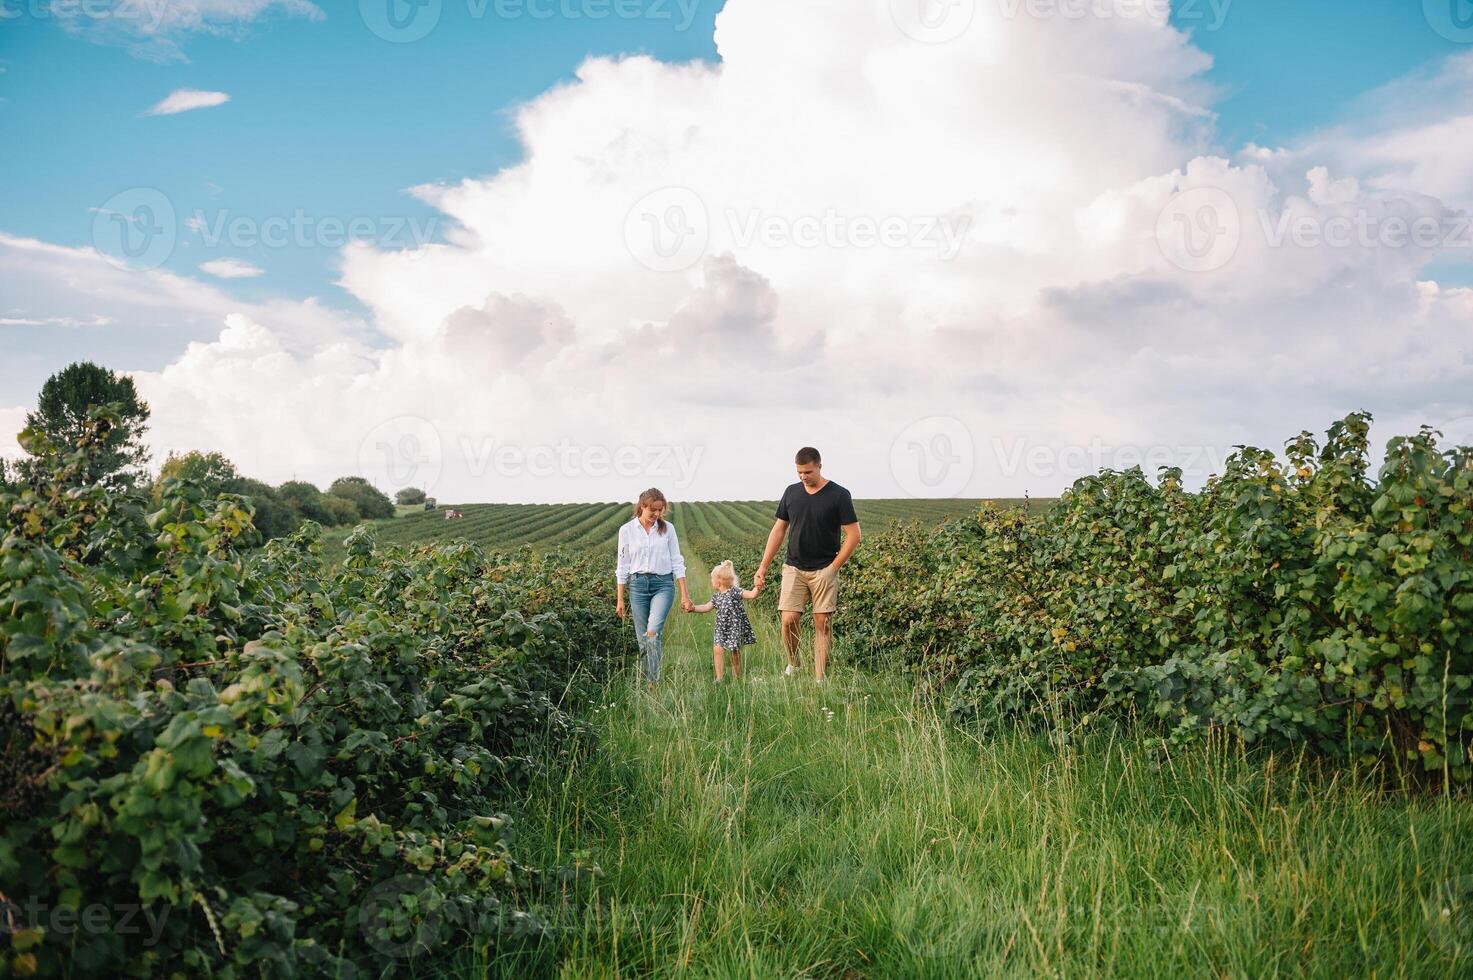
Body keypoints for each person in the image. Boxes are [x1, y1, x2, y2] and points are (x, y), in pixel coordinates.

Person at [754, 447, 861, 682]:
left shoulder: (839, 495)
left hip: (825, 568)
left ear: (819, 467)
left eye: (808, 472)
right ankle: (794, 663)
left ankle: (820, 678)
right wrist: (763, 566)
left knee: (822, 623)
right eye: (799, 472)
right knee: (788, 619)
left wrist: (833, 568)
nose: (803, 477)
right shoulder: (791, 493)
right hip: (794, 567)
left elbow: (854, 536)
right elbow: (779, 530)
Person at [614, 488, 691, 689]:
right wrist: (620, 599)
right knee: (643, 641)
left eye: (660, 510)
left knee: (652, 632)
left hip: (663, 585)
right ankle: (650, 676)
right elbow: (622, 566)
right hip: (638, 586)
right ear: (642, 507)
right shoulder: (626, 531)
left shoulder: (668, 529)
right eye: (653, 511)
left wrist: (685, 595)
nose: (657, 515)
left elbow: (677, 561)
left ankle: (652, 682)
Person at [688, 559, 761, 682]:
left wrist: (758, 587)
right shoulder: (717, 597)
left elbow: (752, 595)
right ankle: (719, 678)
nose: (712, 582)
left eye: (712, 579)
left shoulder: (735, 592)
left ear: (718, 582)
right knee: (717, 650)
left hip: (734, 629)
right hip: (721, 629)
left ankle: (736, 677)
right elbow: (706, 607)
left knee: (735, 654)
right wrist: (693, 608)